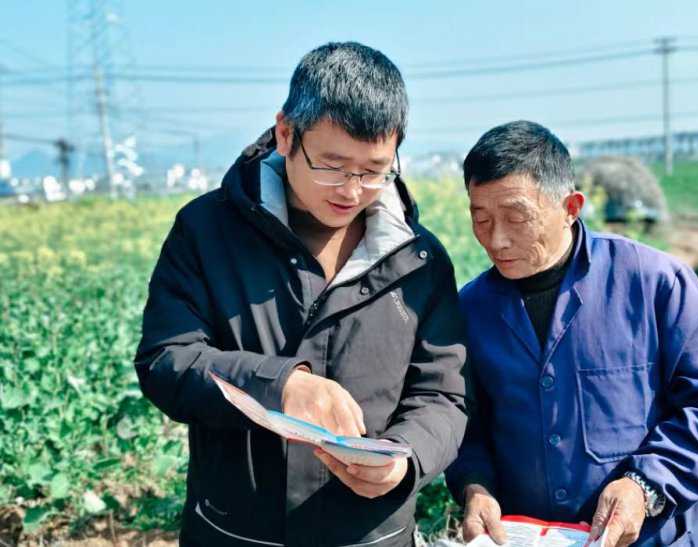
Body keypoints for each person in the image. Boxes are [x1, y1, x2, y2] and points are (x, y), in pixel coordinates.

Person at [135, 42, 467, 547]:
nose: (351, 190)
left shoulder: (419, 260)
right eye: (332, 165)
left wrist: (406, 457)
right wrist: (281, 386)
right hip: (236, 532)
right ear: (286, 133)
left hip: (372, 535)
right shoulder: (205, 231)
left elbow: (443, 394)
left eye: (374, 169)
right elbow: (167, 360)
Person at [445, 121, 698, 546]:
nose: (496, 239)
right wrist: (474, 486)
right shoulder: (471, 310)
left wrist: (646, 485)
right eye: (481, 218)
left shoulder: (653, 282)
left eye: (516, 217)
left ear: (570, 207)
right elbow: (466, 425)